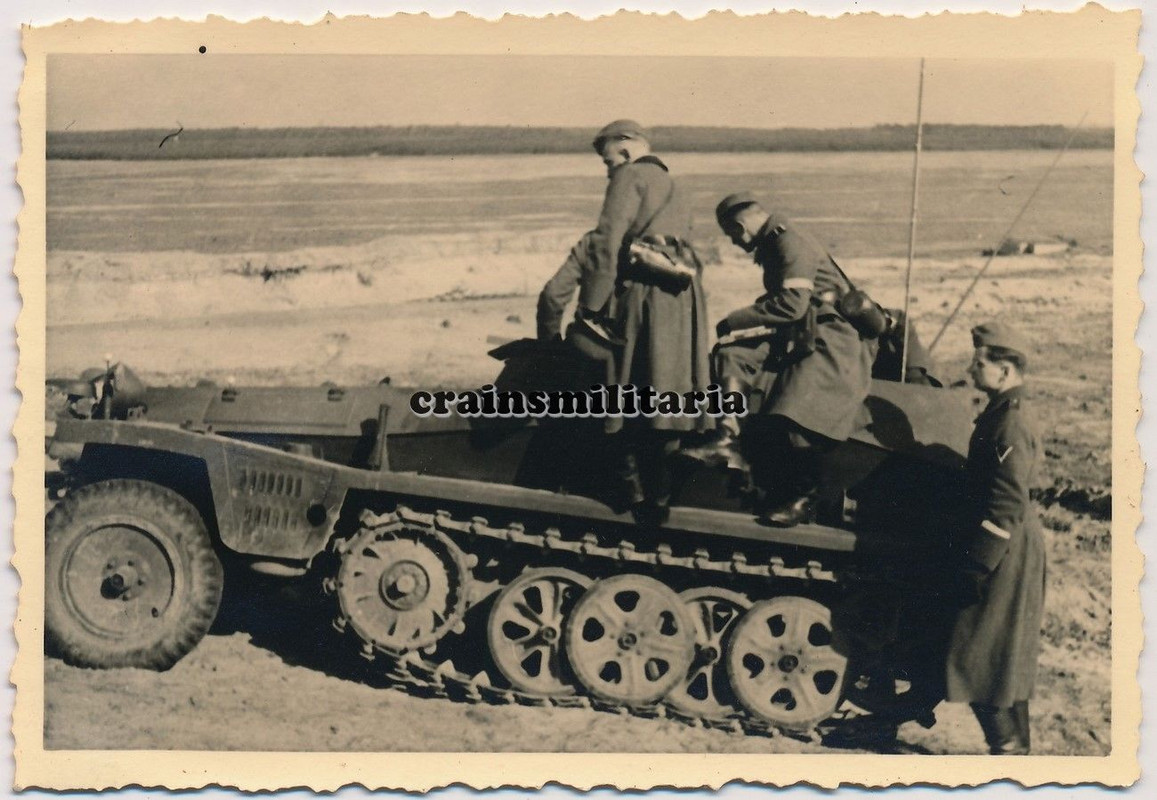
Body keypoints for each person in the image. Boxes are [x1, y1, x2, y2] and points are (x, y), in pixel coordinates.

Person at [686, 192, 875, 527]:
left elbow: (792, 305)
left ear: (741, 225)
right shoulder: (776, 243)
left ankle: (803, 497)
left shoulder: (790, 242)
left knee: (795, 408)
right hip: (800, 334)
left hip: (832, 340)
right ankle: (727, 436)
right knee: (732, 355)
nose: (734, 242)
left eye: (732, 235)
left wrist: (735, 320)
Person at [584, 119, 713, 524]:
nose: (609, 170)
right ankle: (661, 493)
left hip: (642, 295)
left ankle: (629, 486)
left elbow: (607, 243)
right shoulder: (676, 184)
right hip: (684, 300)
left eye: (609, 162)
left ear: (623, 152)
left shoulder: (628, 178)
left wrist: (592, 306)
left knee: (622, 379)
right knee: (669, 384)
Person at [946, 321, 1045, 755]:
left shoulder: (1010, 424)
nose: (971, 370)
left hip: (1003, 547)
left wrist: (976, 565)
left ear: (1004, 371)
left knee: (977, 650)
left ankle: (1007, 750)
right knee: (1005, 651)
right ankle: (1017, 749)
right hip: (1011, 543)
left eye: (979, 363)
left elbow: (1005, 502)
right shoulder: (1004, 412)